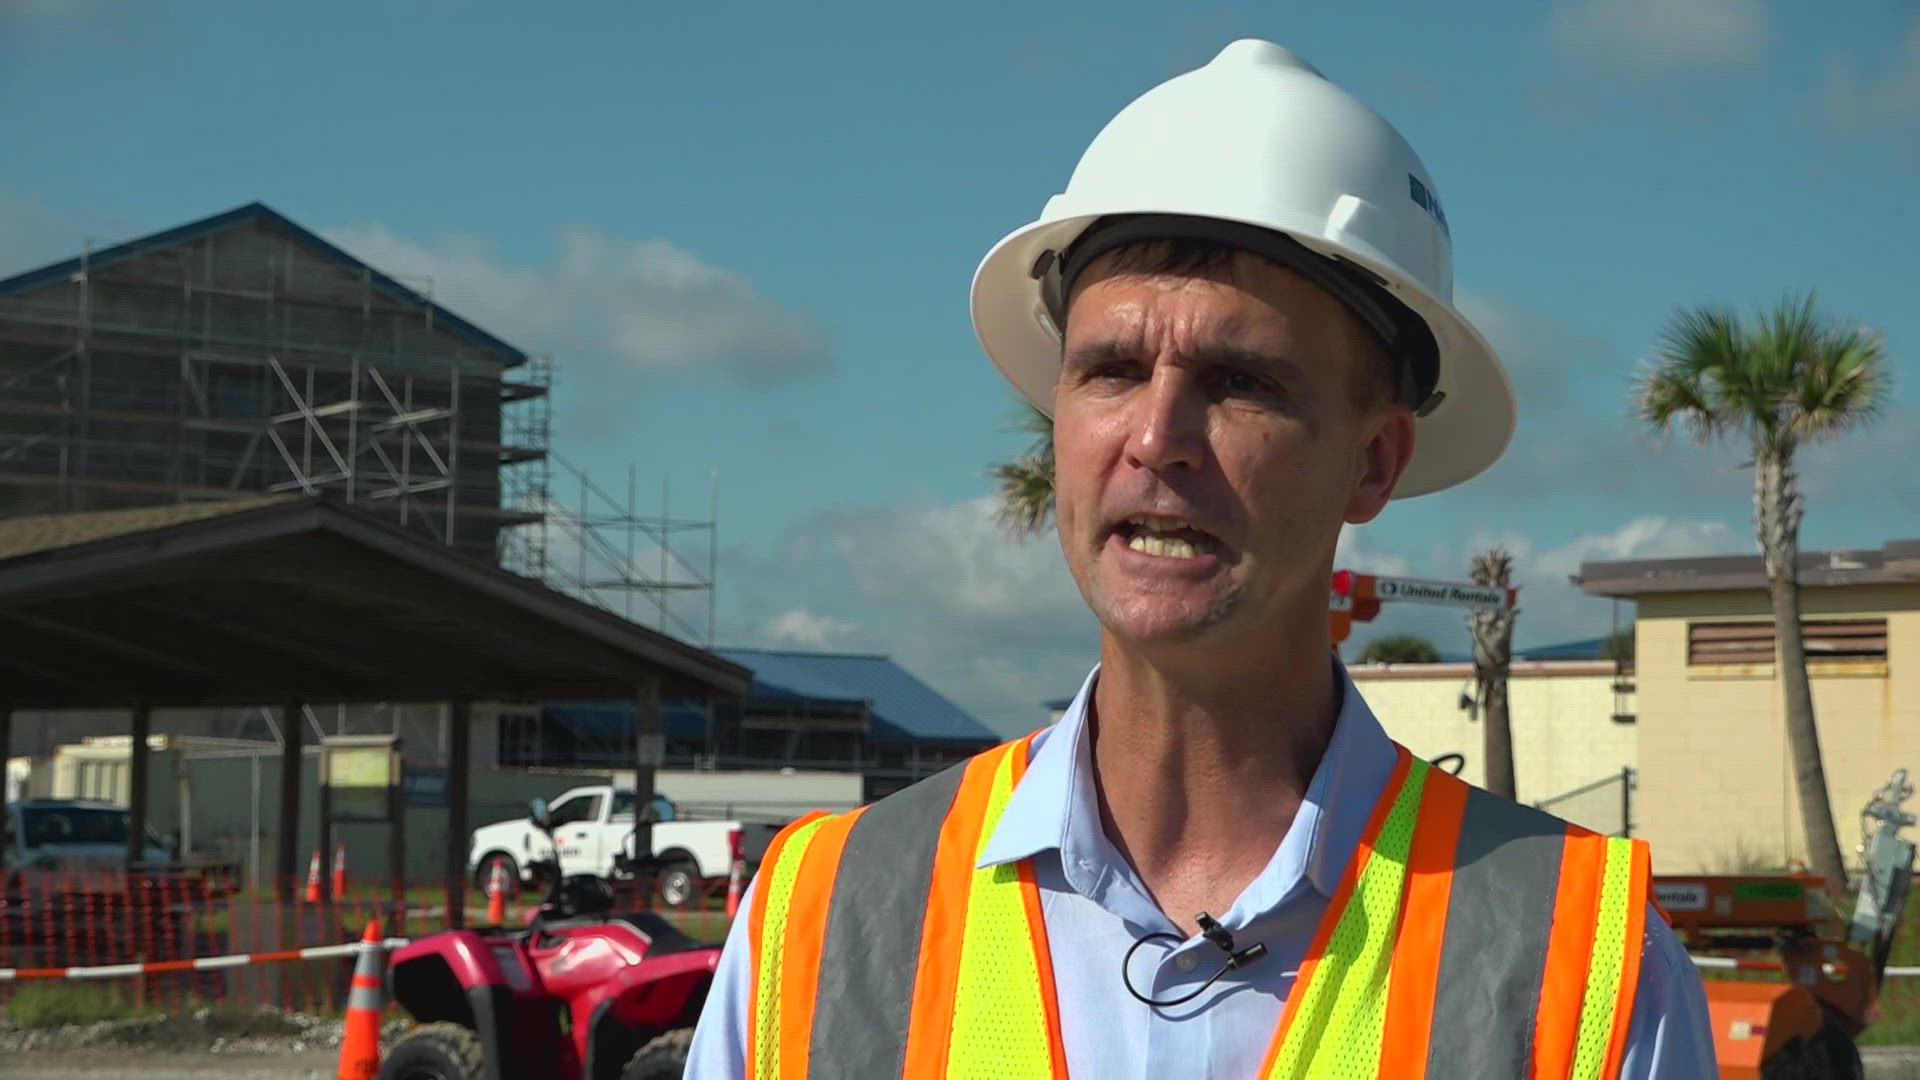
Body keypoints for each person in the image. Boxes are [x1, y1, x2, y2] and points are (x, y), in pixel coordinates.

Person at [687, 39, 1716, 1078]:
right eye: (1112, 370)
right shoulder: (818, 923)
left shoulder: (1585, 967)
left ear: (1374, 460)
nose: (1155, 437)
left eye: (1239, 380)